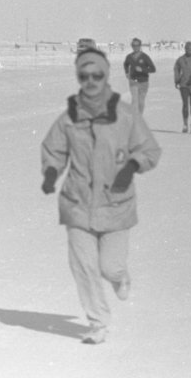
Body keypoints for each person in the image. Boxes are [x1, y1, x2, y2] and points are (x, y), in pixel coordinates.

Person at [41, 48, 161, 345]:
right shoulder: (69, 117)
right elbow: (54, 149)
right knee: (83, 265)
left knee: (110, 266)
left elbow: (148, 149)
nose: (91, 81)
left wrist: (131, 167)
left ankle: (120, 277)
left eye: (97, 75)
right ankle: (97, 322)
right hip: (77, 203)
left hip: (115, 203)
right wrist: (51, 172)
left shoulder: (125, 114)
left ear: (106, 76)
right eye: (84, 76)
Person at [123, 37, 156, 114]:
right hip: (133, 81)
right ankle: (133, 118)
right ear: (132, 46)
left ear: (140, 46)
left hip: (143, 82)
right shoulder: (129, 57)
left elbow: (153, 69)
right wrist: (127, 72)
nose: (136, 47)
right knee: (134, 101)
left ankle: (139, 117)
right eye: (134, 45)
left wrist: (142, 70)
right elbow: (125, 64)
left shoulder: (145, 57)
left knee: (141, 102)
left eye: (137, 45)